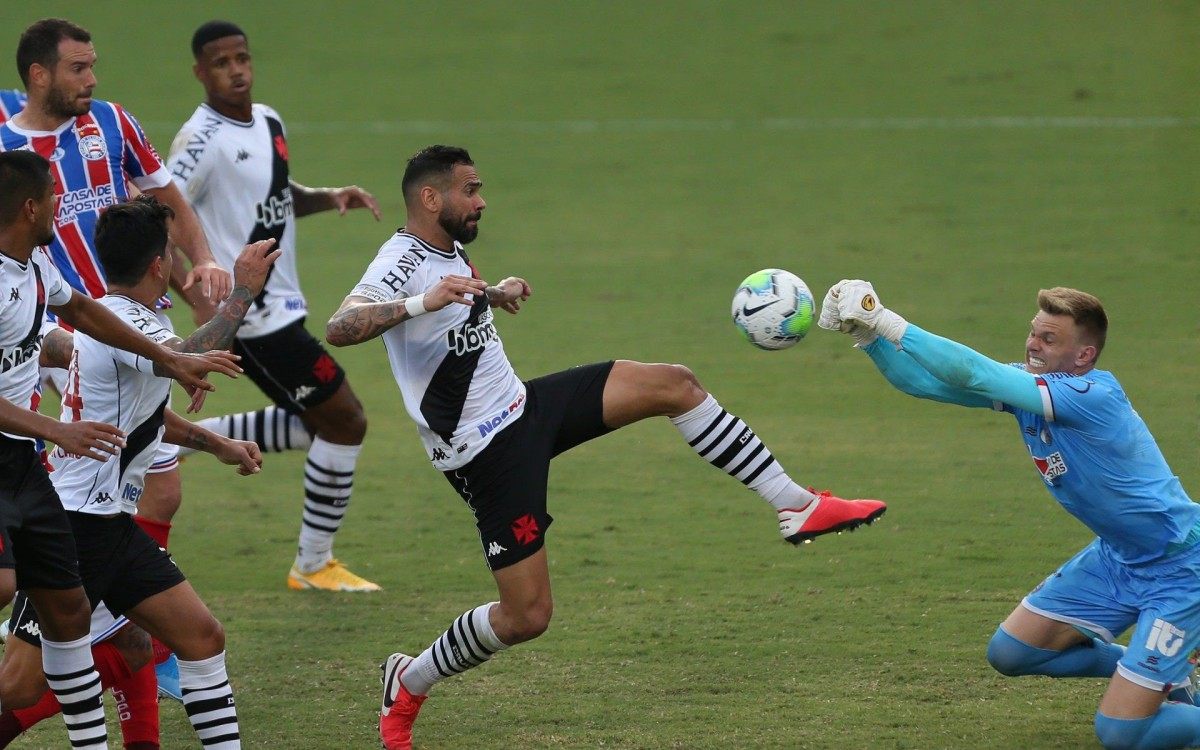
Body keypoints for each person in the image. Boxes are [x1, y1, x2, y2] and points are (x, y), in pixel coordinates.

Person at [325, 145, 887, 750]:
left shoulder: (448, 248)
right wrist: (421, 302)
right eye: (470, 189)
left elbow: (444, 313)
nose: (482, 199)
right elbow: (341, 326)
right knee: (526, 617)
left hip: (524, 408)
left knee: (675, 384)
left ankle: (794, 502)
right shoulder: (400, 259)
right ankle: (408, 679)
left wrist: (491, 294)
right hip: (485, 454)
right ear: (431, 199)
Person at [821, 279, 1200, 750]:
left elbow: (976, 373)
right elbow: (926, 382)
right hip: (1118, 557)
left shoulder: (1093, 396)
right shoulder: (1031, 390)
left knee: (1121, 735)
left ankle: (1161, 681)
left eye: (1049, 339)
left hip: (1180, 568)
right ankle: (1160, 671)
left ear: (1083, 355)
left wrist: (888, 321)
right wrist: (868, 339)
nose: (1033, 344)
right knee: (1011, 652)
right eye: (1033, 332)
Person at [0, 195, 276, 750]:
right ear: (159, 265)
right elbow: (191, 355)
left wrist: (215, 443)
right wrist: (243, 288)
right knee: (20, 684)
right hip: (73, 527)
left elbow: (146, 412)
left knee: (201, 637)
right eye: (172, 254)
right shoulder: (124, 324)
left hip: (112, 528)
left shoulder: (120, 322)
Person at [164, 20, 382, 593]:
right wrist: (193, 295)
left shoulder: (269, 120)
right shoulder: (200, 140)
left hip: (282, 303)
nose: (236, 69)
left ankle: (192, 434)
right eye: (221, 62)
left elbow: (275, 195)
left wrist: (330, 196)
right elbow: (156, 219)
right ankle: (312, 565)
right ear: (200, 72)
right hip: (251, 318)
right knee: (346, 420)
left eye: (242, 57)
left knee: (322, 422)